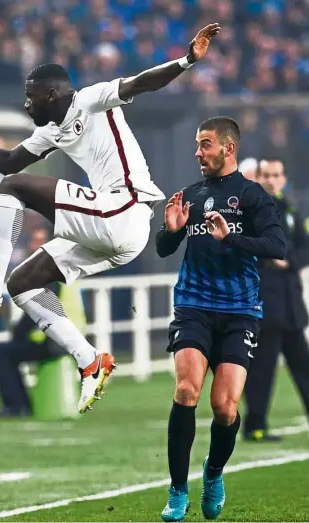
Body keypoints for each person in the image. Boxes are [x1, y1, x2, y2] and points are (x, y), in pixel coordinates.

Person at [0, 23, 221, 414]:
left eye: (30, 98)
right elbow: (6, 161)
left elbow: (140, 83)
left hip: (124, 208)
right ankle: (90, 360)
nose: (26, 106)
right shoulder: (51, 130)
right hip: (116, 230)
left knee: (16, 188)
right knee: (22, 284)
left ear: (52, 94)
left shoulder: (90, 99)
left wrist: (187, 60)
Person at [156, 117, 286, 521]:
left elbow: (276, 246)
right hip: (193, 305)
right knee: (186, 391)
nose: (198, 152)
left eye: (205, 144)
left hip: (240, 312)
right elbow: (164, 248)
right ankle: (178, 490)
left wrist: (230, 237)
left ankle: (213, 473)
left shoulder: (252, 196)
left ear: (228, 148)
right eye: (197, 144)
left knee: (225, 407)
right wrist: (172, 230)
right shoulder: (191, 195)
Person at [0, 227, 87, 418]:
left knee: (2, 354)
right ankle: (20, 404)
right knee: (10, 351)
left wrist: (17, 334)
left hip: (54, 343)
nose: (35, 246)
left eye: (39, 241)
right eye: (34, 240)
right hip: (72, 340)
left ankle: (17, 406)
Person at [243, 158, 309, 441]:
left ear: (284, 178)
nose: (271, 179)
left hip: (291, 304)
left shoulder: (290, 209)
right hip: (263, 304)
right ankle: (255, 426)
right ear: (258, 178)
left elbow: (304, 248)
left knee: (303, 365)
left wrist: (288, 260)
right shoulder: (250, 210)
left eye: (276, 175)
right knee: (261, 370)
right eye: (266, 175)